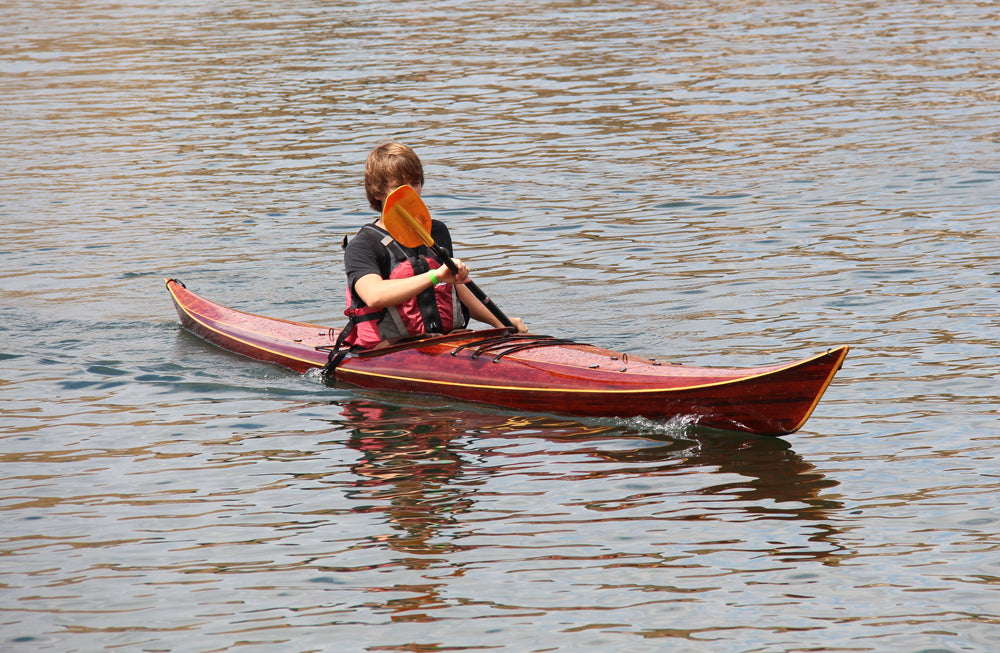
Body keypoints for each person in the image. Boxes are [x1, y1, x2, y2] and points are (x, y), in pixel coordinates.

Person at [341, 142, 527, 348]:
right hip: (388, 349)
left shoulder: (436, 231)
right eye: (399, 187)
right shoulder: (363, 245)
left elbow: (456, 289)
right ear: (378, 193)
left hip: (447, 341)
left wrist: (500, 322)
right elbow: (374, 295)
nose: (410, 193)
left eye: (415, 183)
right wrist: (434, 276)